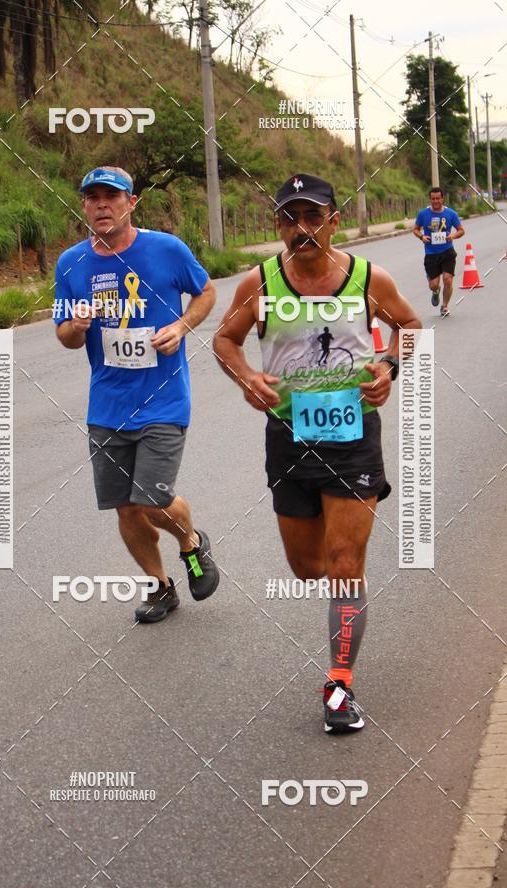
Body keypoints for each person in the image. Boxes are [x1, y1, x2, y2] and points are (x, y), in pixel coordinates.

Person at [213, 173, 421, 734]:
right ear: (277, 226)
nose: (301, 229)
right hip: (289, 437)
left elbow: (407, 323)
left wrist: (388, 367)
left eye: (313, 217)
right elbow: (224, 340)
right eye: (289, 218)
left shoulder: (366, 278)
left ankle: (339, 684)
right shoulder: (259, 283)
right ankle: (340, 625)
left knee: (345, 564)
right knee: (308, 568)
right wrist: (246, 377)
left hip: (353, 433)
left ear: (334, 220)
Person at [54, 165, 220, 622]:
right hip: (107, 406)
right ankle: (160, 587)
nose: (101, 204)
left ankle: (191, 542)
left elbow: (206, 291)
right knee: (125, 509)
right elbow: (65, 337)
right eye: (93, 197)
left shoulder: (166, 249)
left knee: (151, 497)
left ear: (132, 203)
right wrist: (76, 325)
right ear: (84, 205)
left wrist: (181, 326)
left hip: (164, 400)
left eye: (112, 196)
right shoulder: (71, 264)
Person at [413, 187, 465, 317]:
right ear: (430, 199)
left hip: (447, 251)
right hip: (431, 254)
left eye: (438, 198)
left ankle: (445, 306)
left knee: (448, 280)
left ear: (442, 198)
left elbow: (461, 230)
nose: (435, 201)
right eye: (433, 199)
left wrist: (452, 236)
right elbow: (415, 229)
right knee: (434, 285)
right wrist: (421, 237)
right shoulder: (423, 214)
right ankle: (435, 291)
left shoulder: (451, 214)